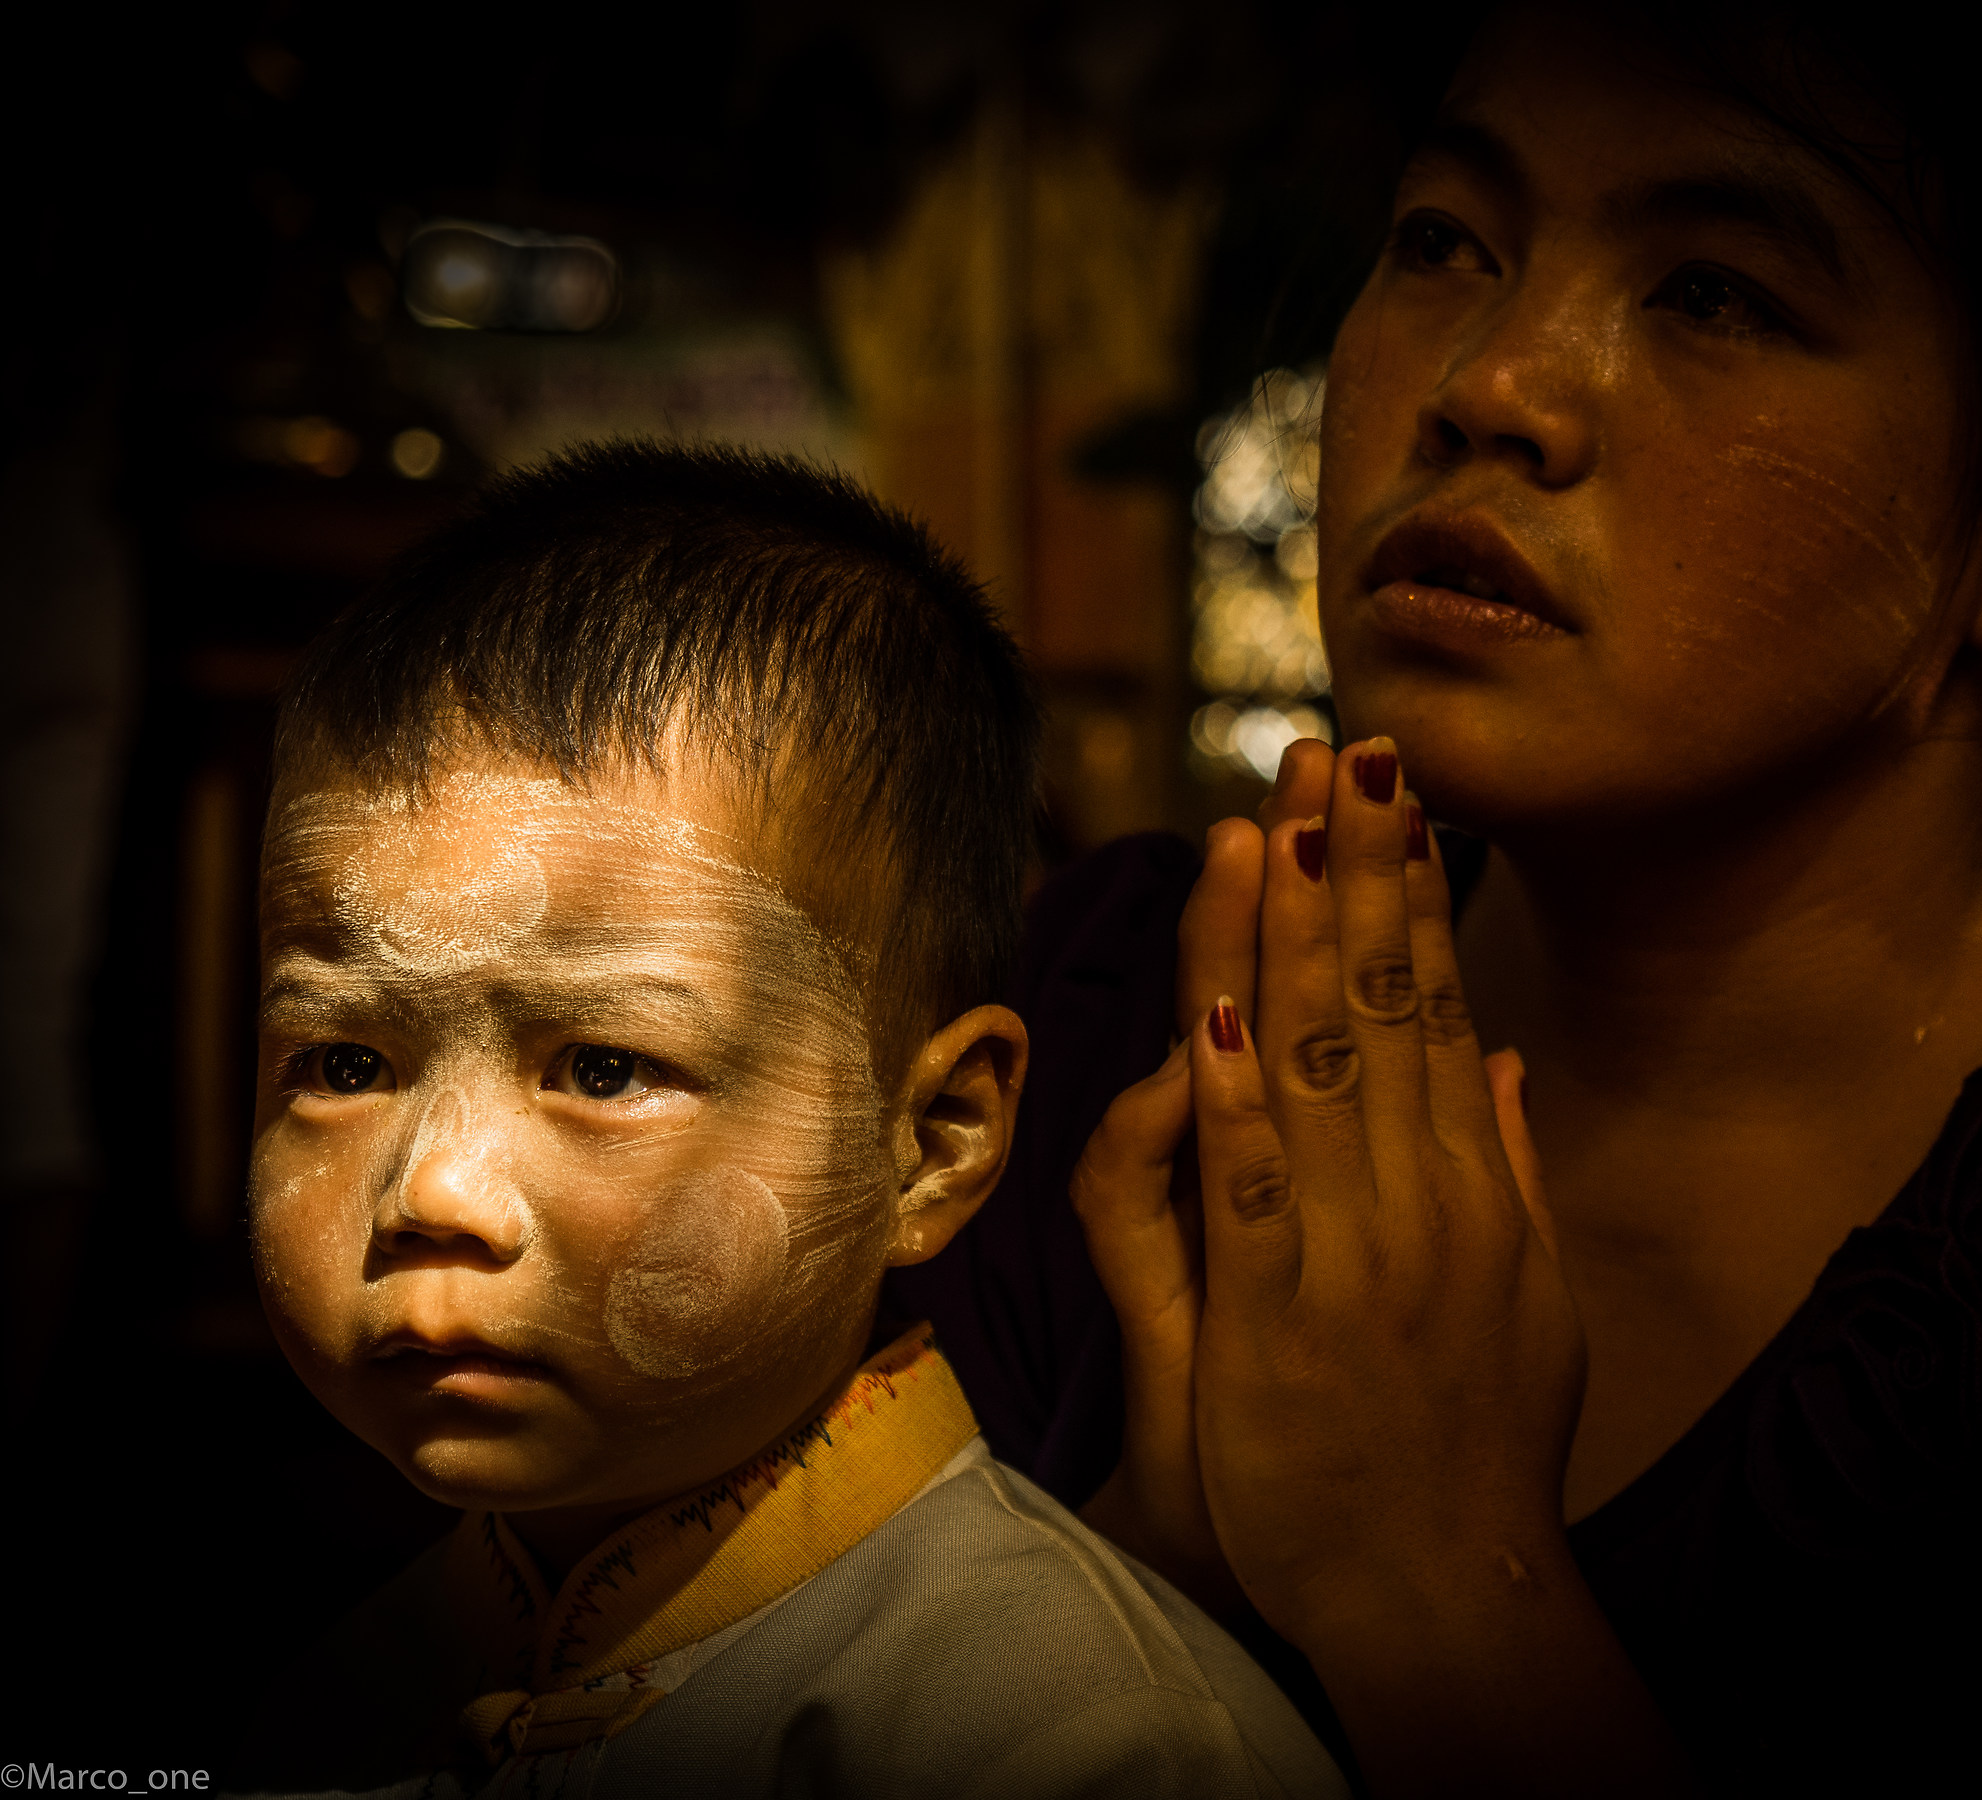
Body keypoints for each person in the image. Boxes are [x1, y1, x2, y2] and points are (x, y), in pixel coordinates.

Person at [887, 4, 1982, 1793]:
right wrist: (1148, 1557)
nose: (1490, 385)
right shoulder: (1095, 1021)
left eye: (1714, 293)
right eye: (1445, 242)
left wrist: (1433, 1579)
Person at [239, 443, 1349, 1800]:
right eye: (346, 1063)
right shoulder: (334, 1691)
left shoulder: (1084, 1747)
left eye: (600, 1071)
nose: (435, 1191)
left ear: (932, 1141)